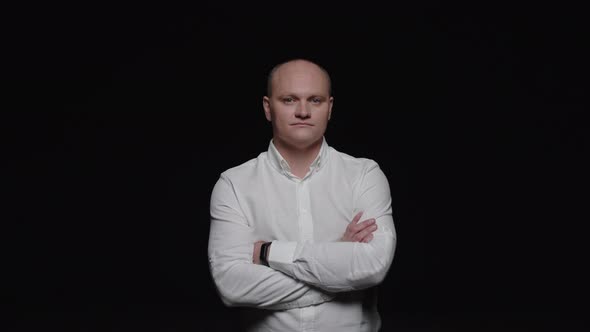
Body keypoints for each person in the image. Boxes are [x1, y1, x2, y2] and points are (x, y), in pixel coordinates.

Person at [208, 58, 396, 331]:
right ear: (267, 107)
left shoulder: (364, 175)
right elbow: (232, 285)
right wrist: (339, 267)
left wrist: (268, 252)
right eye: (289, 100)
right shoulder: (234, 184)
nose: (303, 111)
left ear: (329, 108)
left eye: (315, 100)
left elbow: (373, 264)